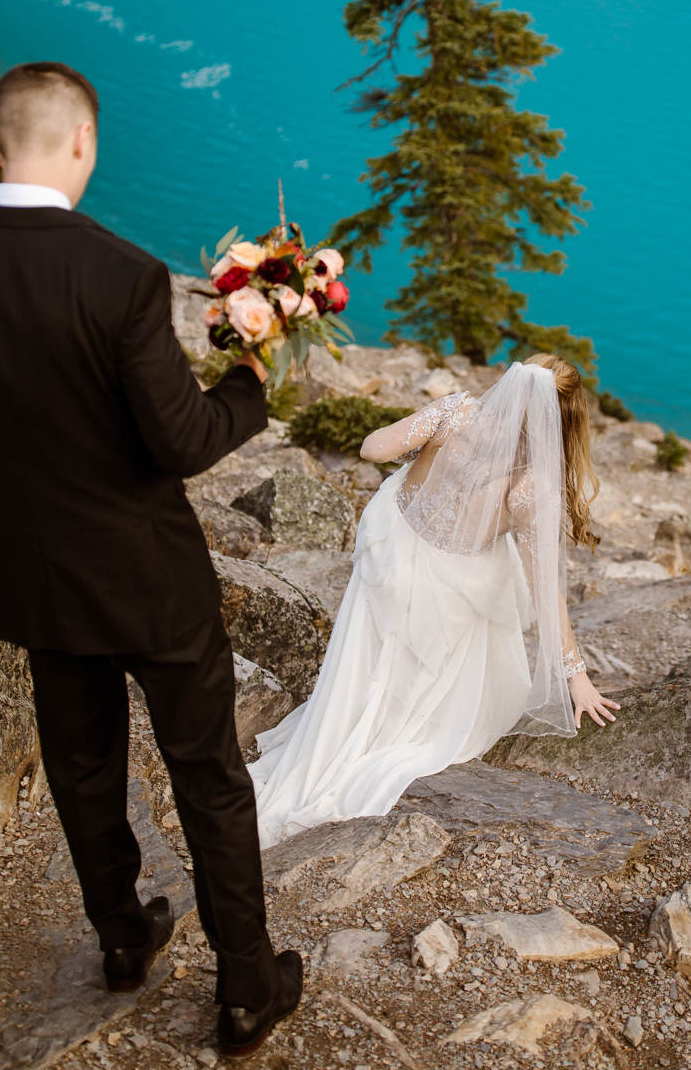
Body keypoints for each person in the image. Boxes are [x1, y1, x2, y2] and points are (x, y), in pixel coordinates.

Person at [0, 60, 301, 1060]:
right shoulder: (121, 275)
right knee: (206, 772)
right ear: (83, 146)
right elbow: (182, 440)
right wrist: (250, 384)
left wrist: (19, 484)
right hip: (149, 576)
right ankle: (245, 991)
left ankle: (121, 938)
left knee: (81, 764)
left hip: (37, 569)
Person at [248, 353, 620, 847]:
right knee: (435, 710)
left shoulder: (455, 410)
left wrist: (428, 456)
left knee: (369, 662)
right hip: (450, 594)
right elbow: (545, 590)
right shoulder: (532, 484)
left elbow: (372, 450)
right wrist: (575, 675)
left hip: (392, 553)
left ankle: (340, 733)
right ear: (562, 417)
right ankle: (369, 746)